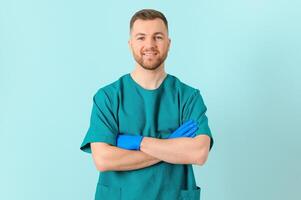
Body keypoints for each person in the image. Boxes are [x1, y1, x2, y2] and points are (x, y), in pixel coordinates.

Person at [80, 8, 214, 200]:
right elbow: (103, 159)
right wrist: (171, 146)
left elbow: (199, 153)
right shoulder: (108, 97)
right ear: (130, 44)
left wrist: (137, 142)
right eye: (141, 37)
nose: (150, 44)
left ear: (168, 43)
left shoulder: (187, 97)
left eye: (158, 37)